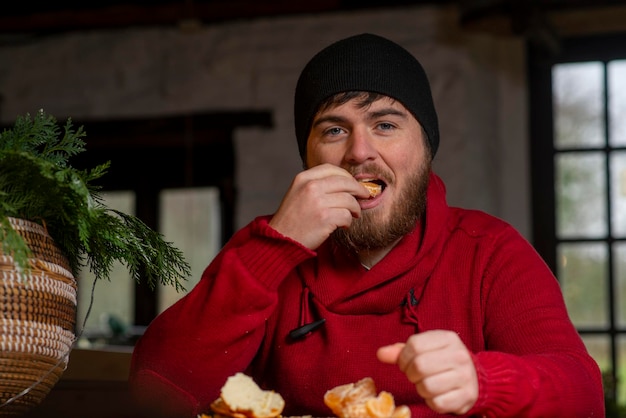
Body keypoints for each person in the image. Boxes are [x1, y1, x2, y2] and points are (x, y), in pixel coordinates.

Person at [129, 33, 604, 417]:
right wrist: (277, 245)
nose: (359, 152)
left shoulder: (489, 250)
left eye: (386, 124)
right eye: (334, 129)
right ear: (309, 156)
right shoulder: (268, 247)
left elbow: (583, 396)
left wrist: (486, 382)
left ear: (426, 149)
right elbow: (154, 393)